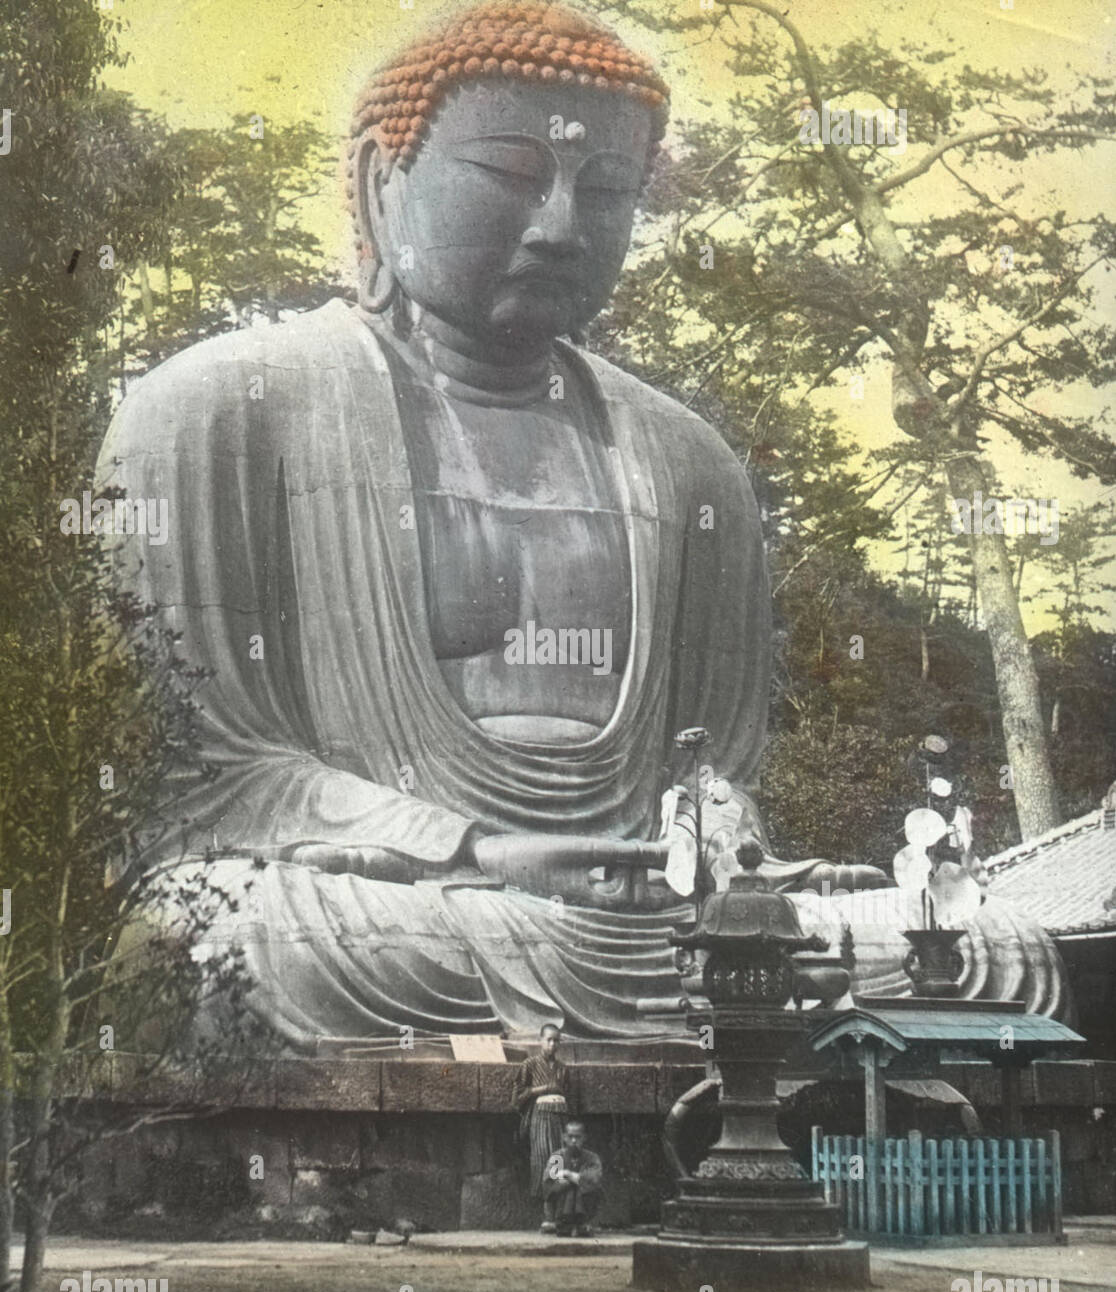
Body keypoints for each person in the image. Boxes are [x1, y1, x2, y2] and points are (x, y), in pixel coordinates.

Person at [97, 0, 1069, 1049]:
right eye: (512, 175)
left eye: (605, 191)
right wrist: (471, 848)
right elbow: (192, 782)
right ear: (385, 184)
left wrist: (721, 840)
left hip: (653, 913)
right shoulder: (217, 412)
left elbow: (709, 771)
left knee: (998, 948)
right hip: (398, 906)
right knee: (218, 938)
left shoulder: (692, 461)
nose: (560, 224)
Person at [512, 1023, 571, 1201]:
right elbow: (517, 1096)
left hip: (559, 1116)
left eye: (556, 1041)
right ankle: (546, 1208)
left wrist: (561, 1094)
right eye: (549, 1040)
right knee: (541, 1157)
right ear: (541, 1041)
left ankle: (557, 1207)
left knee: (558, 1158)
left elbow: (570, 1094)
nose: (553, 1044)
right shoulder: (529, 1064)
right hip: (540, 1117)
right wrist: (543, 1088)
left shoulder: (562, 1068)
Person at [542, 1120, 602, 1236]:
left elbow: (593, 1179)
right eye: (570, 1137)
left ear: (584, 1138)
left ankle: (583, 1224)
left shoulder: (591, 1158)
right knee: (564, 1186)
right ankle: (561, 1223)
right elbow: (548, 1183)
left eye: (578, 1137)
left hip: (584, 1203)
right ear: (564, 1137)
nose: (574, 1140)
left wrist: (568, 1174)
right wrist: (573, 1180)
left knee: (588, 1187)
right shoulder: (557, 1157)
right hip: (561, 1204)